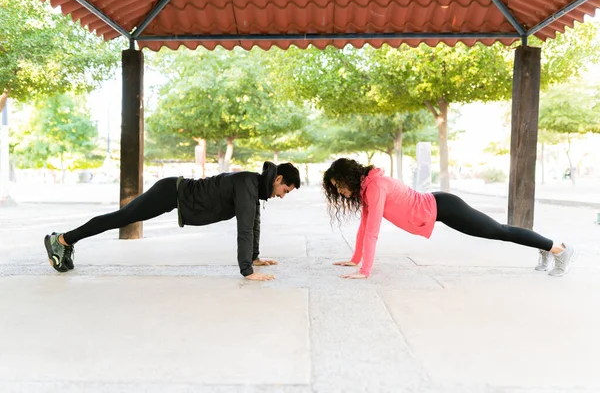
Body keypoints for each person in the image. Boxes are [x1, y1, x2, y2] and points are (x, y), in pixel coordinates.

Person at [322, 158, 575, 279]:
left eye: (339, 185)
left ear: (349, 177)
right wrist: (355, 260)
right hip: (439, 206)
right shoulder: (368, 188)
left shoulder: (375, 187)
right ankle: (545, 248)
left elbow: (373, 232)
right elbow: (365, 226)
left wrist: (365, 270)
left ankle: (558, 249)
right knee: (499, 230)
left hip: (444, 207)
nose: (340, 191)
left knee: (498, 230)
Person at [44, 161, 300, 281]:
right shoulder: (248, 183)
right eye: (285, 191)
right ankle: (62, 240)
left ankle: (64, 241)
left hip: (175, 196)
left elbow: (253, 222)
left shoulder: (253, 186)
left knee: (120, 218)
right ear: (277, 179)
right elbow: (244, 228)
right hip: (171, 192)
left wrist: (254, 257)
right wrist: (248, 271)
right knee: (120, 218)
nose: (282, 196)